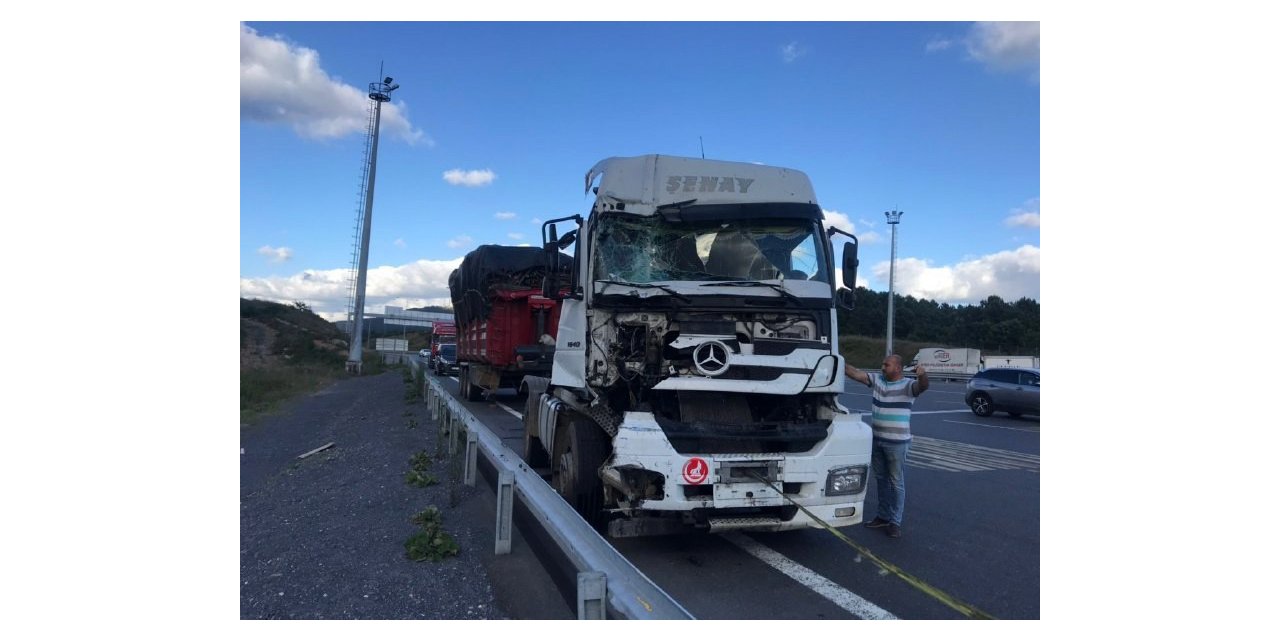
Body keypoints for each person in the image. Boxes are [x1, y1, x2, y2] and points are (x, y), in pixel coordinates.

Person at [845, 354, 928, 538]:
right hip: (877, 439)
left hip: (897, 443)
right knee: (881, 479)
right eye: (883, 364)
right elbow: (856, 374)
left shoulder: (908, 385)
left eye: (886, 364)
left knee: (896, 482)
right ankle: (882, 516)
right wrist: (838, 359)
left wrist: (922, 375)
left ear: (898, 368)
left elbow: (922, 387)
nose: (882, 367)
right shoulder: (878, 381)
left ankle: (895, 521)